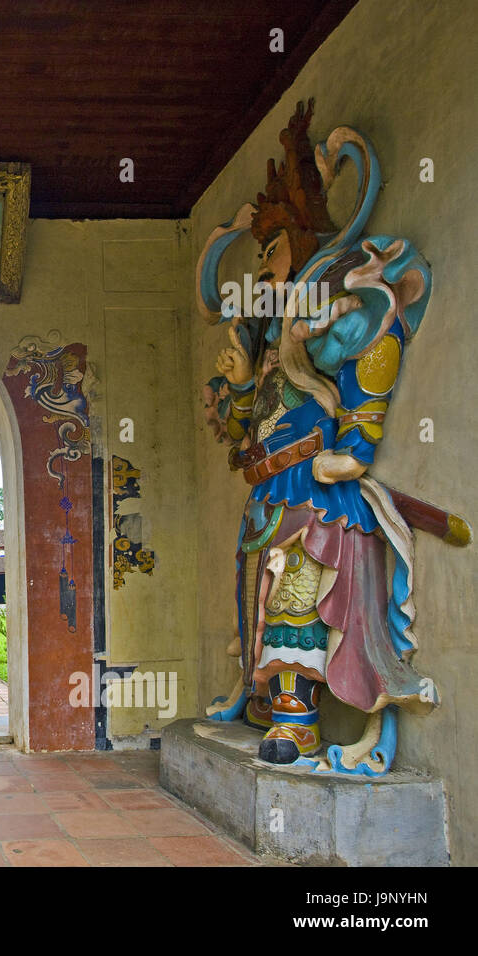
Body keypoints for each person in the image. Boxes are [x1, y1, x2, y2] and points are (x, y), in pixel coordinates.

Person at [203, 99, 438, 769]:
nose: (264, 265)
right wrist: (246, 380)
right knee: (260, 607)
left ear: (301, 246)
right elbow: (249, 420)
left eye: (271, 248)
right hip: (272, 489)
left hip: (315, 487)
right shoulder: (275, 334)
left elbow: (377, 343)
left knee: (299, 599)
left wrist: (358, 445)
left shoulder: (329, 306)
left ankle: (299, 724)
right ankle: (269, 707)